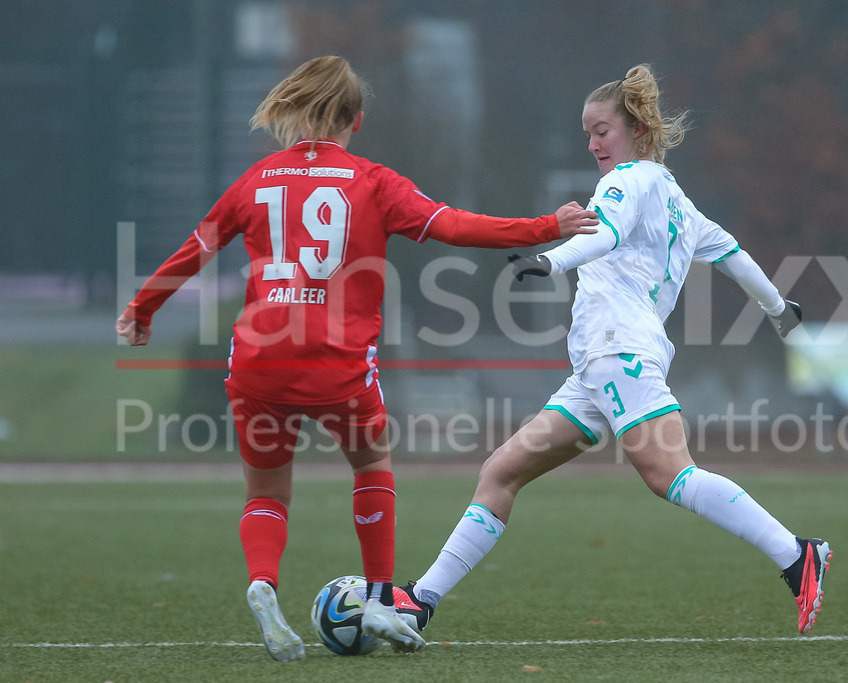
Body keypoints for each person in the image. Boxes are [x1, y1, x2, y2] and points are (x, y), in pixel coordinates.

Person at [115, 55, 598, 660]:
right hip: (335, 362)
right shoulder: (373, 181)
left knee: (266, 494)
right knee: (372, 469)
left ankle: (263, 585)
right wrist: (545, 225)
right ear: (356, 120)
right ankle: (377, 599)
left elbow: (198, 246)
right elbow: (456, 227)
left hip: (259, 359)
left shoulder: (257, 178)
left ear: (292, 111)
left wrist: (143, 306)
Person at [395, 64, 832, 638]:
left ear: (634, 129)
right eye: (587, 134)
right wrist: (779, 309)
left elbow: (605, 233)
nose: (594, 143)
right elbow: (731, 252)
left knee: (670, 475)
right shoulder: (677, 199)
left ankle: (797, 555)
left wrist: (552, 260)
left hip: (618, 353)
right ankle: (421, 601)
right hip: (597, 369)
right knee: (501, 471)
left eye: (601, 130)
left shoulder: (628, 180)